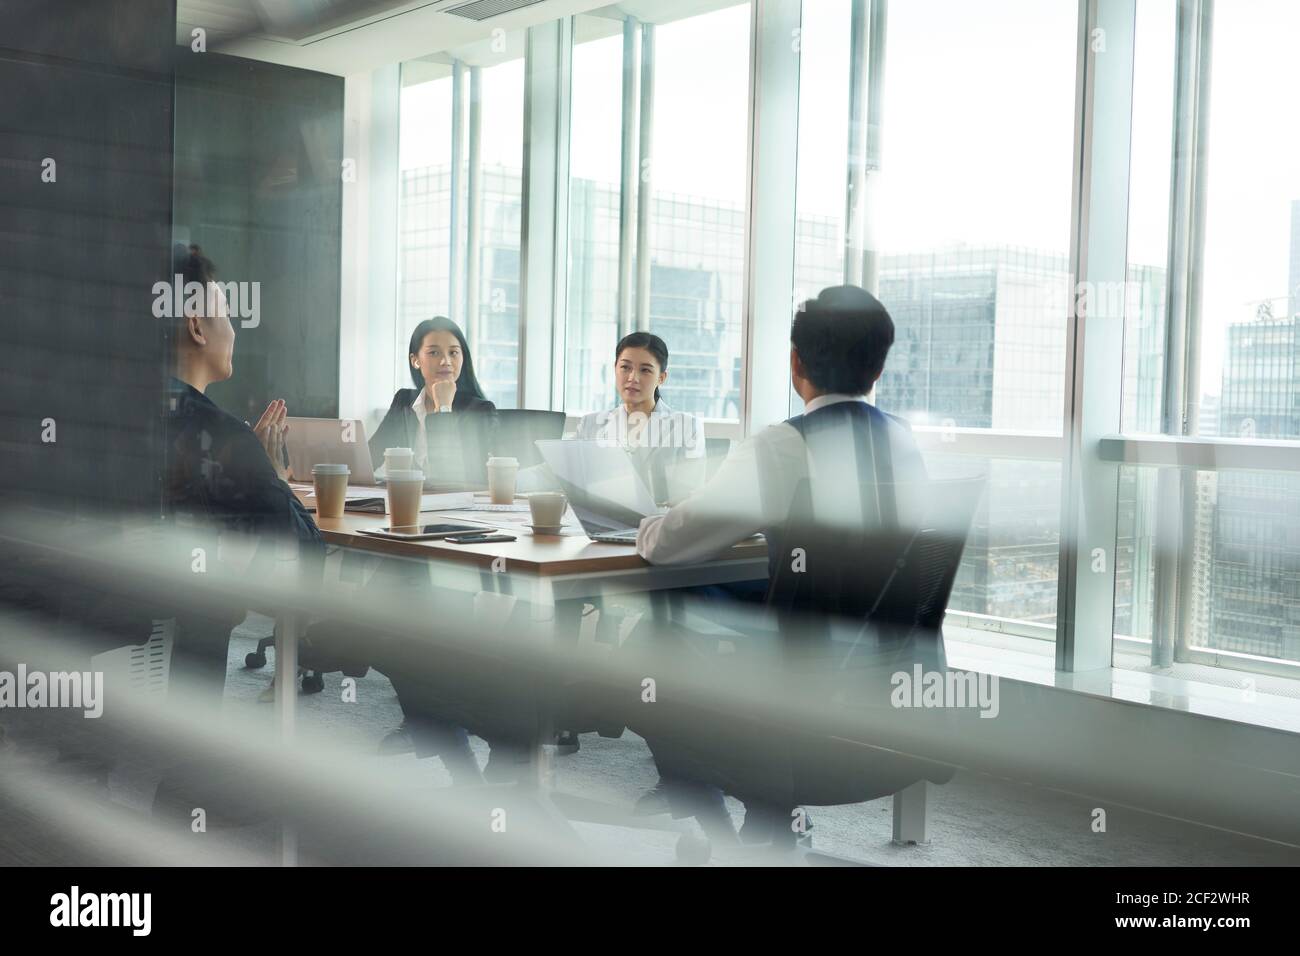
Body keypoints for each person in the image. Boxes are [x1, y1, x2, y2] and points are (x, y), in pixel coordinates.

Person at [631, 285, 928, 844]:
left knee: (642, 649)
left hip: (797, 688)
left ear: (796, 362)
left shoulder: (782, 446)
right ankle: (765, 825)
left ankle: (734, 832)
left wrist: (649, 523)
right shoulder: (905, 442)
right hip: (891, 678)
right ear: (878, 368)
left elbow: (668, 545)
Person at [163, 247, 322, 707]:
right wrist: (271, 473)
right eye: (227, 315)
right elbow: (304, 549)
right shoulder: (220, 433)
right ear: (197, 327)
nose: (234, 331)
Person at [368, 317, 497, 490]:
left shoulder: (480, 411)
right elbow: (369, 459)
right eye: (434, 353)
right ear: (415, 360)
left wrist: (443, 408)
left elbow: (448, 478)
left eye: (453, 352)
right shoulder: (404, 401)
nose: (446, 361)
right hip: (409, 503)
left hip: (455, 510)